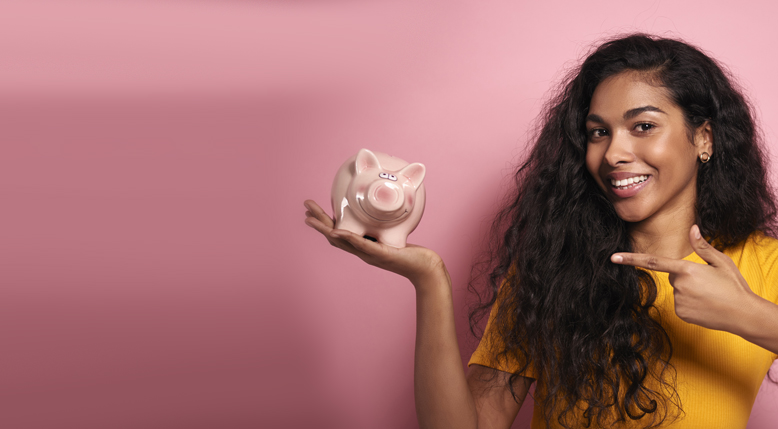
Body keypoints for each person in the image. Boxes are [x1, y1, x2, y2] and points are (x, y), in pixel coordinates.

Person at [303, 33, 778, 428]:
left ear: (704, 138)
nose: (613, 153)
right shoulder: (555, 265)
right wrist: (428, 278)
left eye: (643, 126)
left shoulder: (764, 264)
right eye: (598, 132)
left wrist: (748, 315)